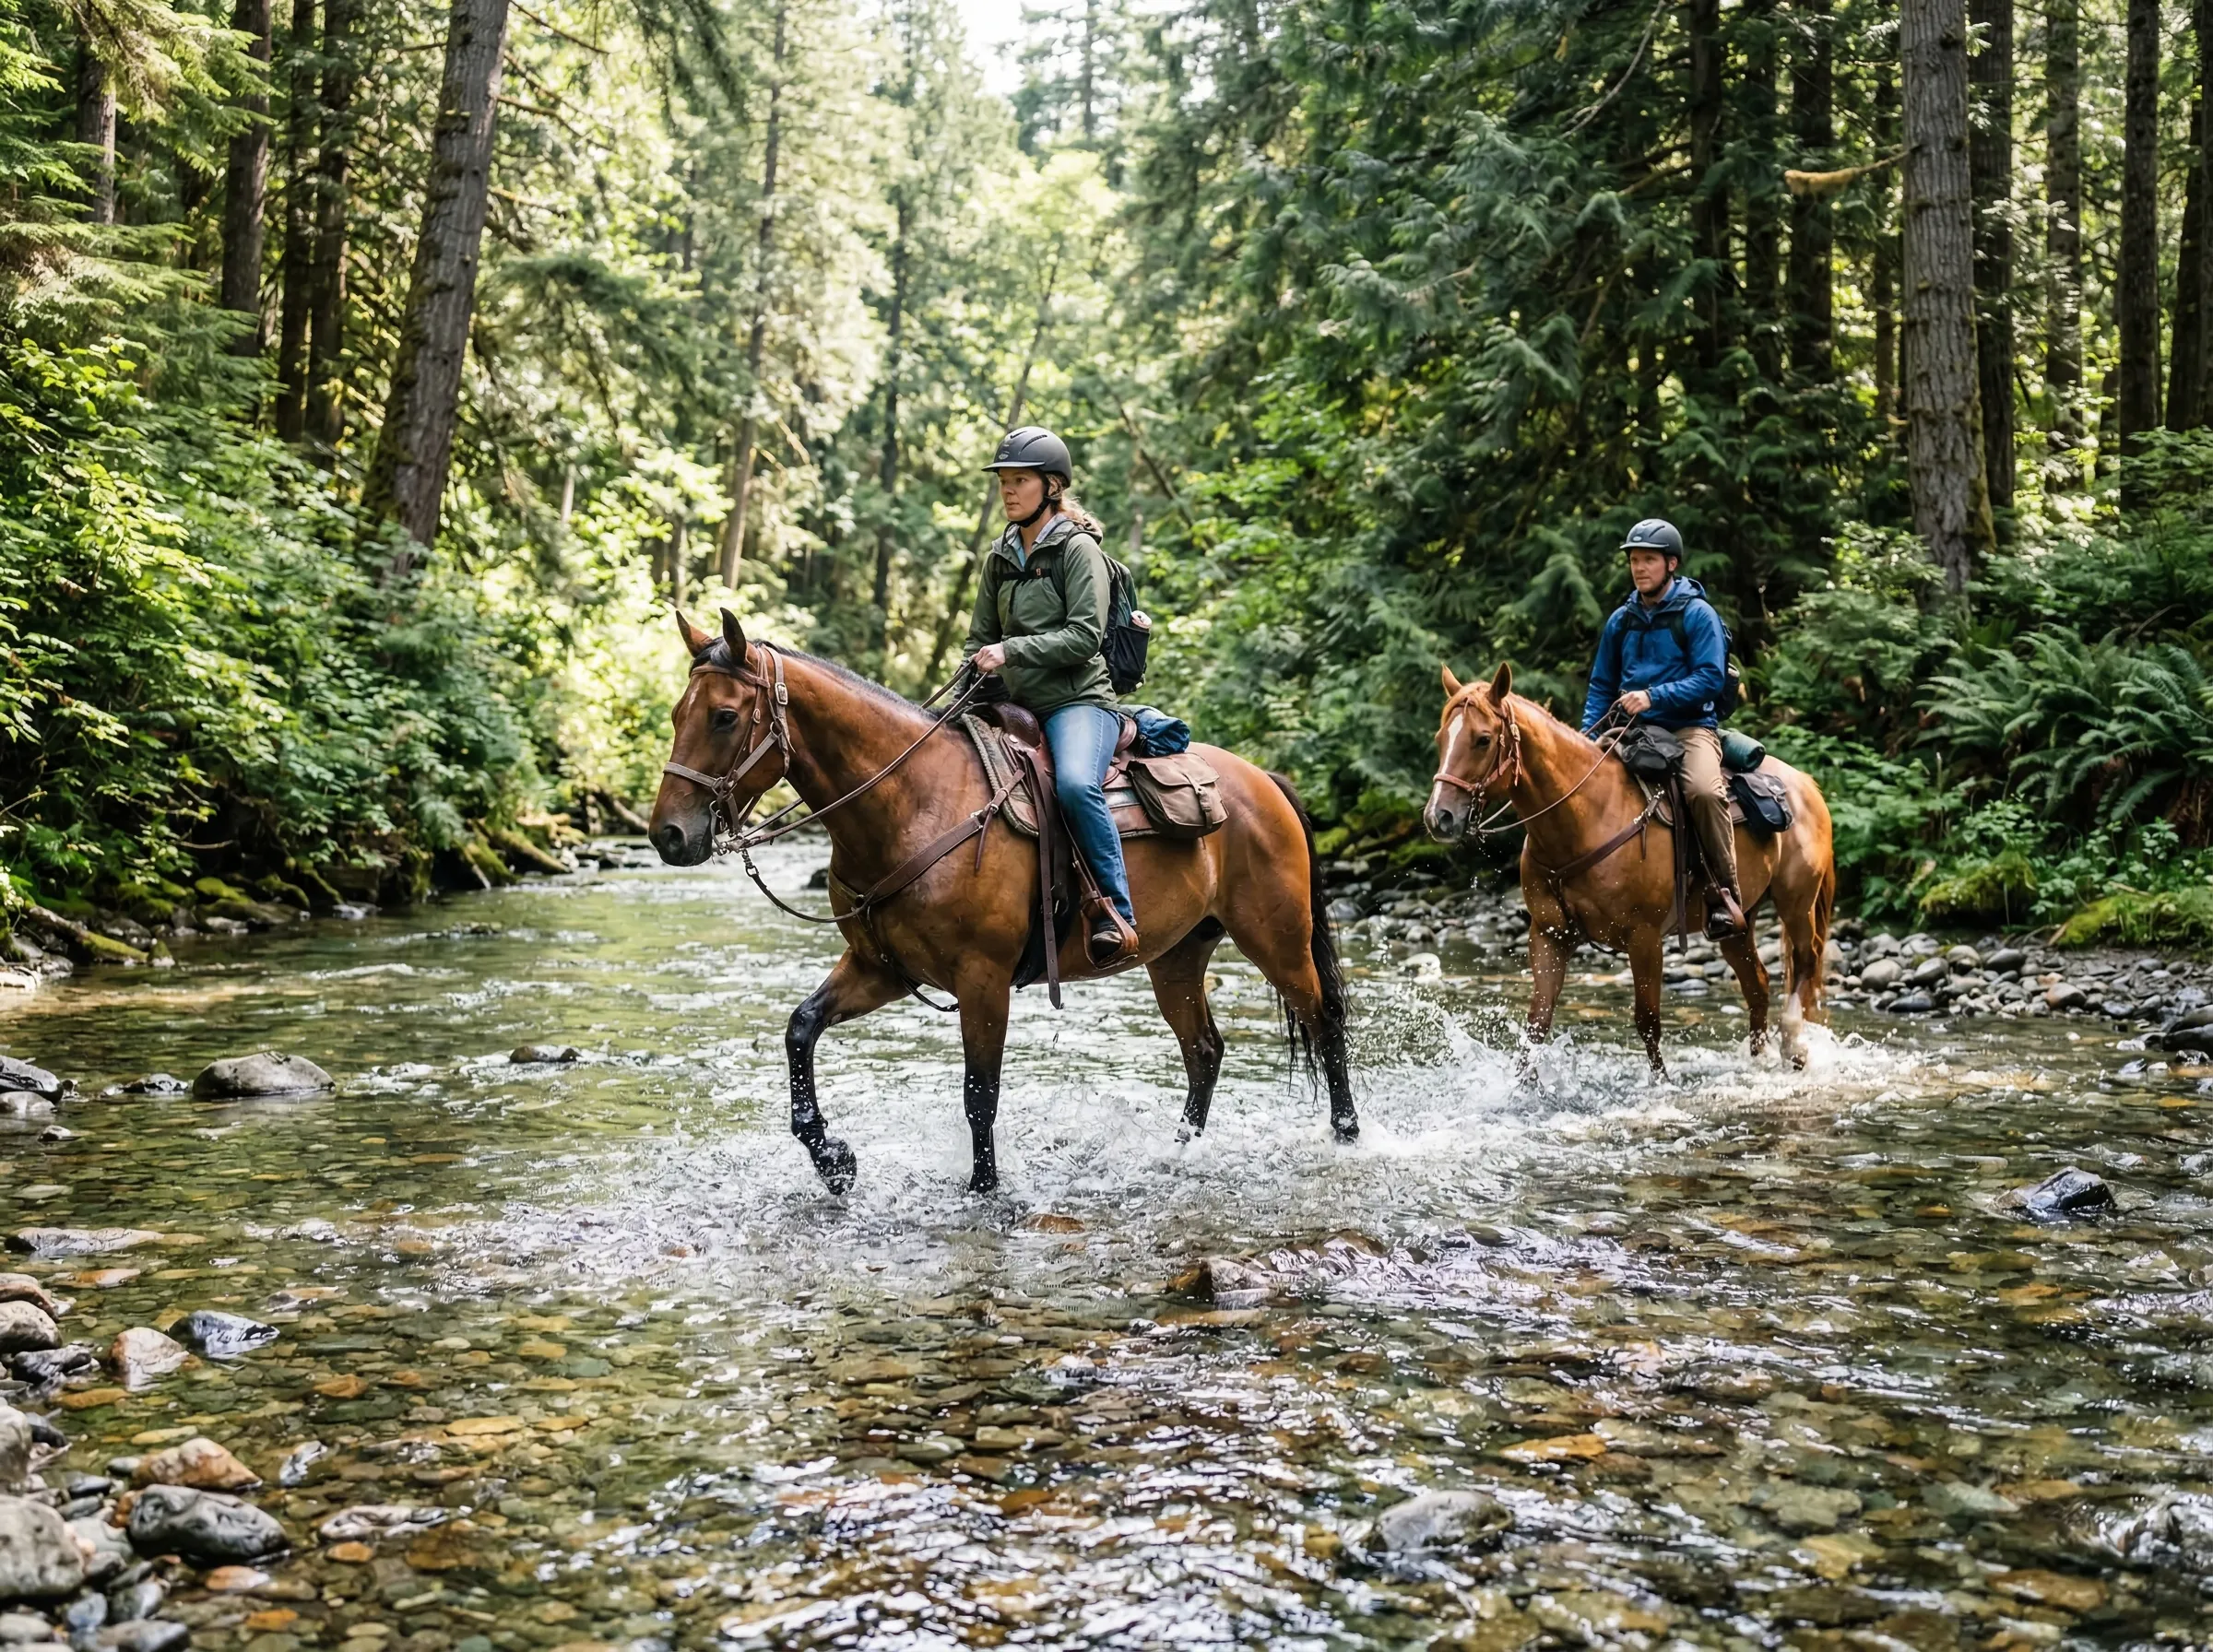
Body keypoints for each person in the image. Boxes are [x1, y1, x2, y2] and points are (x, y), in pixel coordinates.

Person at [964, 426, 1139, 967]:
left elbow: (1085, 634)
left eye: (1020, 481)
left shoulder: (1077, 549)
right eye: (1003, 483)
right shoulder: (1000, 556)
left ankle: (1116, 911)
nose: (1008, 492)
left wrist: (1011, 652)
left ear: (1052, 486)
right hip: (1015, 704)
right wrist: (975, 670)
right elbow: (979, 636)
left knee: (1074, 784)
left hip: (1079, 702)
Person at [1580, 518, 1746, 938]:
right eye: (1634, 560)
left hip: (1689, 729)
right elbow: (1601, 683)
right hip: (1630, 731)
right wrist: (1585, 738)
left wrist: (1654, 695)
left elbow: (1710, 677)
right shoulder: (1622, 620)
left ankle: (1725, 895)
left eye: (1648, 560)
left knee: (1705, 792)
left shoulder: (1697, 614)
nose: (1639, 568)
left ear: (1671, 563)